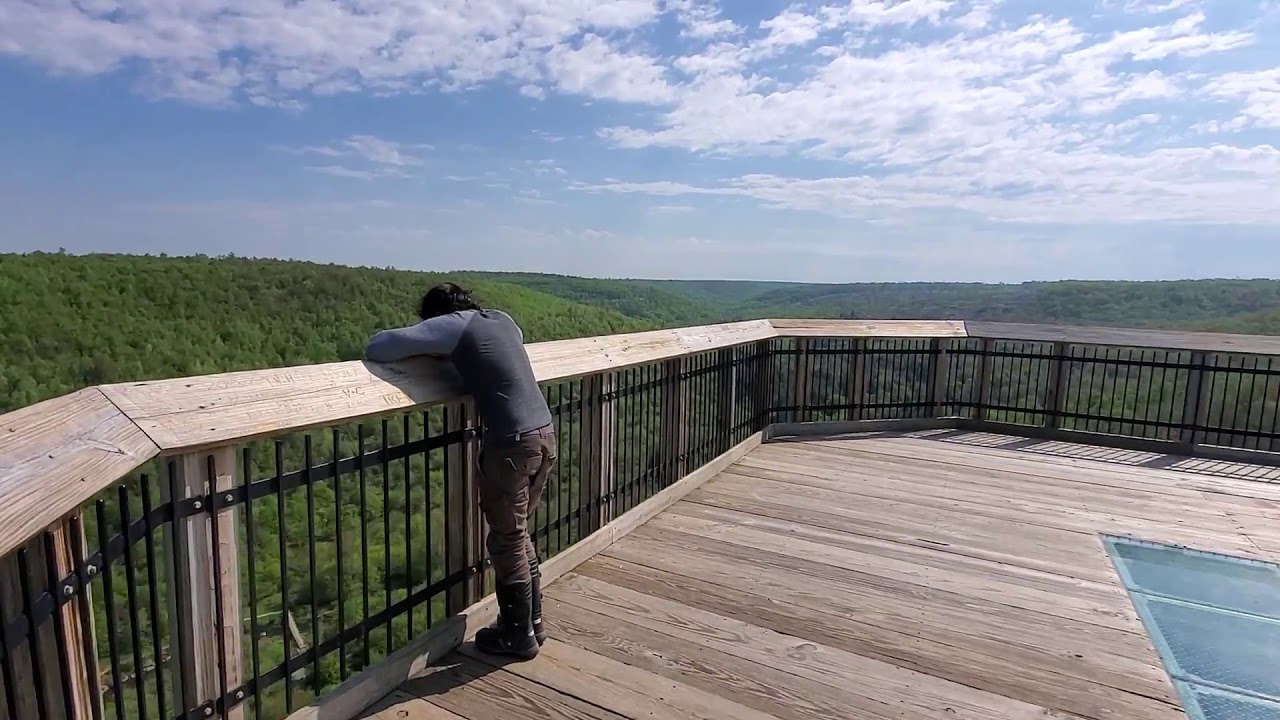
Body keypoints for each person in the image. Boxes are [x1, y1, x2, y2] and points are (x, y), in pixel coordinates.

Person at [365, 282, 556, 660]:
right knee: (517, 533)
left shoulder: (452, 325)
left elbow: (379, 346)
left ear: (438, 314)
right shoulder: (502, 319)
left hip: (511, 442)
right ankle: (532, 624)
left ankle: (517, 637)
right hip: (544, 434)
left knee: (506, 539)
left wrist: (432, 347)